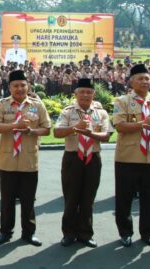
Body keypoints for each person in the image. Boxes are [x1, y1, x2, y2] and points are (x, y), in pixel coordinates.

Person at [112, 63, 150, 248]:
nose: (145, 81)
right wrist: (143, 124)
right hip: (128, 157)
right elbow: (119, 125)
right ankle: (125, 232)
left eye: (147, 78)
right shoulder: (122, 102)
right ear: (131, 82)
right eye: (141, 78)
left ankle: (147, 233)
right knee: (124, 198)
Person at [0, 70, 51, 247]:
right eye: (15, 85)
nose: (19, 88)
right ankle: (5, 232)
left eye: (22, 85)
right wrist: (14, 126)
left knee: (28, 199)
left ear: (28, 86)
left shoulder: (37, 105)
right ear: (9, 87)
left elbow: (47, 128)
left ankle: (29, 233)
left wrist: (32, 131)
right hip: (7, 160)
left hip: (28, 160)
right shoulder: (2, 105)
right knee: (7, 200)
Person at [53, 79, 112, 248]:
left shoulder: (101, 113)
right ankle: (69, 233)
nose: (86, 95)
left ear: (93, 94)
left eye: (89, 92)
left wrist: (90, 133)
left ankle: (86, 234)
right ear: (76, 94)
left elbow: (107, 136)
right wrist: (75, 128)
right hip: (73, 158)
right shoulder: (68, 112)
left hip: (93, 158)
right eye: (82, 92)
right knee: (71, 198)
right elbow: (57, 132)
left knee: (88, 198)